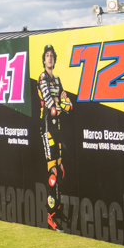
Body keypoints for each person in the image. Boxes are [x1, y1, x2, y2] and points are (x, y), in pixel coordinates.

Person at [38, 44, 72, 231]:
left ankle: (57, 208)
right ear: (44, 60)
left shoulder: (57, 79)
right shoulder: (42, 77)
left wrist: (62, 102)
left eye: (52, 55)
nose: (49, 58)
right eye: (47, 55)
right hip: (46, 128)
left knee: (60, 170)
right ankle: (50, 215)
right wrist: (60, 102)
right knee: (53, 172)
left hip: (57, 129)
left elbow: (69, 106)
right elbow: (51, 106)